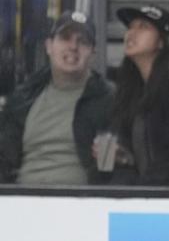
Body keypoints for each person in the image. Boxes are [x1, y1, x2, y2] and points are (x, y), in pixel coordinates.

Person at [0, 11, 112, 185]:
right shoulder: (23, 98)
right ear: (49, 46)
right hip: (21, 203)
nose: (73, 46)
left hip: (86, 205)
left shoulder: (110, 99)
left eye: (82, 41)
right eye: (65, 38)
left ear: (93, 53)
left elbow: (111, 166)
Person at [104, 5, 169, 186]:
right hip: (142, 196)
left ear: (162, 41)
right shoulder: (129, 90)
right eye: (130, 27)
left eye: (143, 27)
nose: (131, 33)